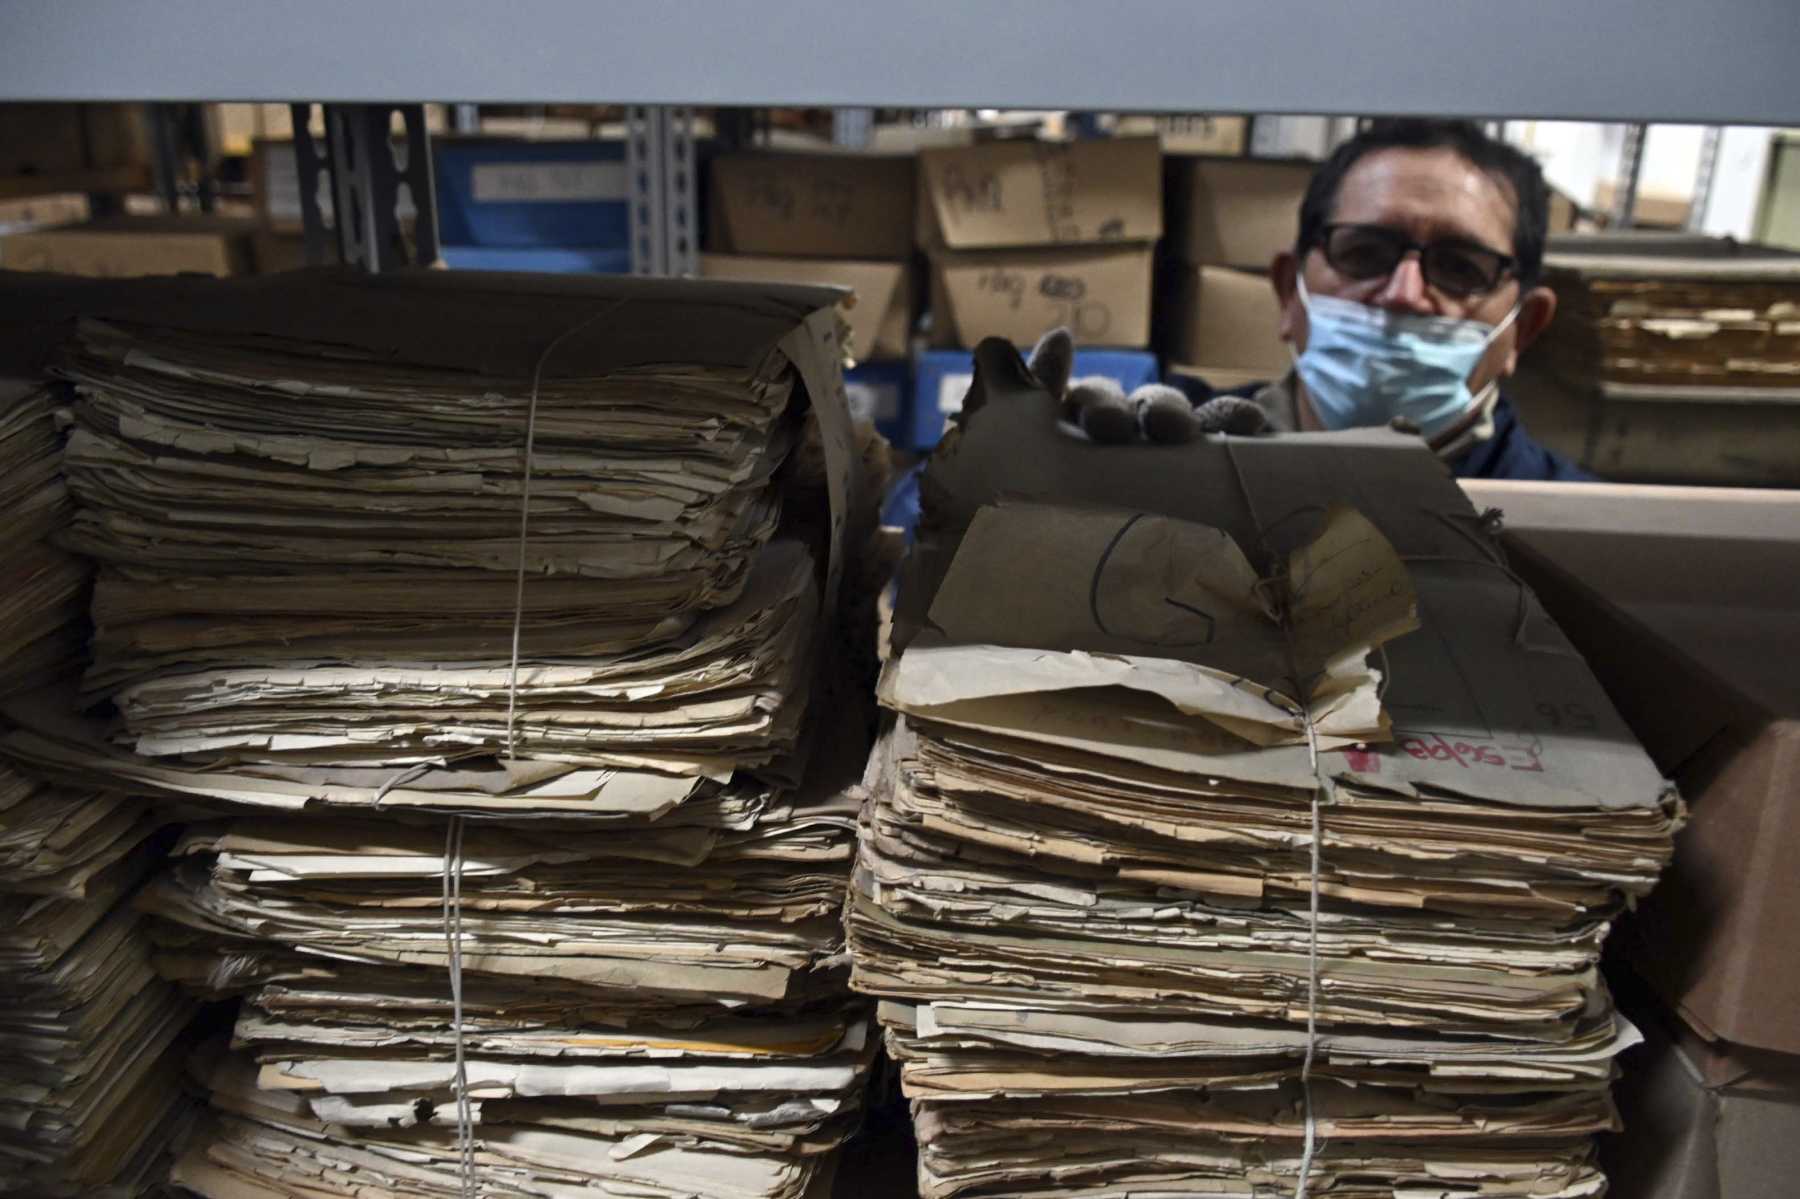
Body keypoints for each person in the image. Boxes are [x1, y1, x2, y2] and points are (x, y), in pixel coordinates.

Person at [1240, 117, 1590, 480]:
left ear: (1523, 327)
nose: (1403, 294)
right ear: (1288, 291)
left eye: (1459, 268)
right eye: (1365, 252)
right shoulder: (1184, 459)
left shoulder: (1583, 530)